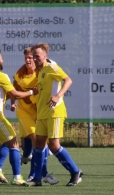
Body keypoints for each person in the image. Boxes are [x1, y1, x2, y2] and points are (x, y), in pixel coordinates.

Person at [28, 43, 83, 187]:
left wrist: (58, 96)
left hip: (54, 113)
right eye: (33, 56)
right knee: (39, 143)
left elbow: (68, 80)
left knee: (53, 145)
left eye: (37, 56)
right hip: (43, 114)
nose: (34, 58)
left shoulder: (51, 67)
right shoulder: (39, 72)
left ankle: (75, 172)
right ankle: (37, 178)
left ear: (45, 56)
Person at [0, 48, 38, 186]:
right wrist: (32, 91)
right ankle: (17, 177)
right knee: (14, 144)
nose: (3, 60)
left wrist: (13, 98)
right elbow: (16, 95)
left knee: (7, 142)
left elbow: (2, 96)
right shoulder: (1, 76)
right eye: (1, 58)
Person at [11, 46, 58, 185]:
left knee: (42, 142)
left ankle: (35, 172)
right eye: (26, 57)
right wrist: (14, 102)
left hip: (38, 111)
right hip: (24, 112)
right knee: (36, 140)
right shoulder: (19, 74)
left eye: (31, 57)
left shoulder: (40, 72)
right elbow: (16, 91)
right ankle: (39, 174)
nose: (28, 60)